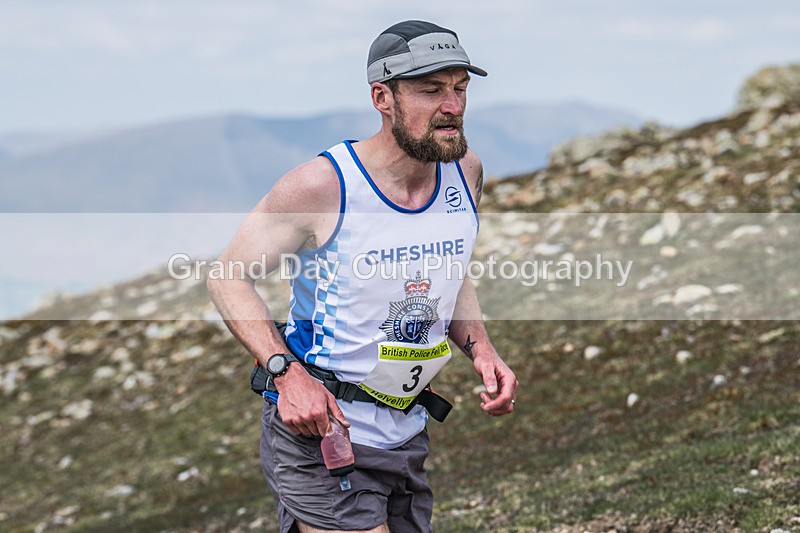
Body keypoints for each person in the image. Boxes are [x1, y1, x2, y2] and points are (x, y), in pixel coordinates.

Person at [207, 20, 518, 533]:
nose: (454, 107)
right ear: (382, 97)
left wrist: (482, 350)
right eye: (431, 90)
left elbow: (450, 273)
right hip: (322, 429)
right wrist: (287, 374)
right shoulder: (322, 186)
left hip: (406, 431)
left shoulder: (466, 173)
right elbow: (227, 276)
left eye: (461, 88)